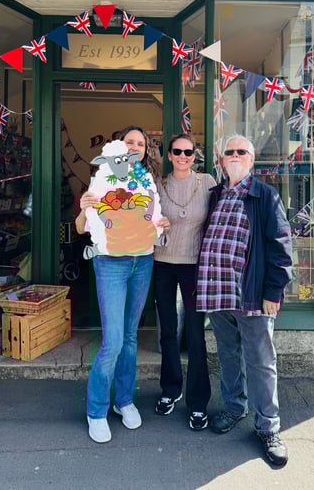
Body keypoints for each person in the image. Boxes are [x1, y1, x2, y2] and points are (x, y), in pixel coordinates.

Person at [197, 134, 292, 466]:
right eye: (229, 151)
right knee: (227, 354)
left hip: (251, 294)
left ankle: (268, 427)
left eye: (242, 151)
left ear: (251, 160)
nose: (235, 155)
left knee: (261, 361)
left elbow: (281, 246)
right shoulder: (215, 195)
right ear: (221, 160)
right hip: (218, 292)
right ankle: (235, 407)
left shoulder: (264, 196)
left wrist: (273, 291)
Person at [75, 126, 168, 444]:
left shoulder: (147, 182)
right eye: (130, 142)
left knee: (129, 338)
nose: (135, 147)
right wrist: (85, 209)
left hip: (142, 262)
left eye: (140, 144)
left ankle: (123, 400)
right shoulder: (102, 178)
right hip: (110, 263)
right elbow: (79, 227)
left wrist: (160, 226)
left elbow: (152, 221)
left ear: (144, 150)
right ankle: (96, 410)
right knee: (113, 341)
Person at [153, 133, 216, 430]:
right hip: (162, 263)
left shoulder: (207, 183)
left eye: (188, 152)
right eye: (177, 151)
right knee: (167, 331)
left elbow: (218, 220)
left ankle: (198, 402)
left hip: (195, 266)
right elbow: (145, 221)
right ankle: (170, 390)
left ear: (195, 155)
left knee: (194, 334)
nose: (182, 156)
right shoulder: (158, 185)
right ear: (169, 154)